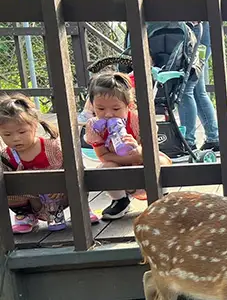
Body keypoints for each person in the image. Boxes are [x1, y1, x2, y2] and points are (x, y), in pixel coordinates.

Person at [128, 0, 223, 152]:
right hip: (169, 33)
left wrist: (208, 13)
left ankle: (187, 141)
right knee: (195, 85)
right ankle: (214, 137)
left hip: (194, 31)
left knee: (186, 84)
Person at [0, 94, 100, 233]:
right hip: (30, 198)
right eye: (7, 135)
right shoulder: (6, 156)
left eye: (22, 132)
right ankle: (25, 216)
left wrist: (60, 185)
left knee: (77, 176)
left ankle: (82, 209)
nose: (16, 139)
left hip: (59, 195)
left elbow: (69, 167)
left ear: (34, 125)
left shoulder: (53, 147)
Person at [83, 71, 172, 220]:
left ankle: (161, 196)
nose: (108, 114)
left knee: (161, 163)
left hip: (144, 160)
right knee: (104, 170)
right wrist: (128, 157)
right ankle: (120, 200)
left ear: (128, 106)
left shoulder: (137, 119)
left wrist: (138, 150)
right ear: (92, 106)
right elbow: (103, 155)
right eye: (100, 109)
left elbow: (151, 148)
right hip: (117, 163)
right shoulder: (94, 126)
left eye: (116, 109)